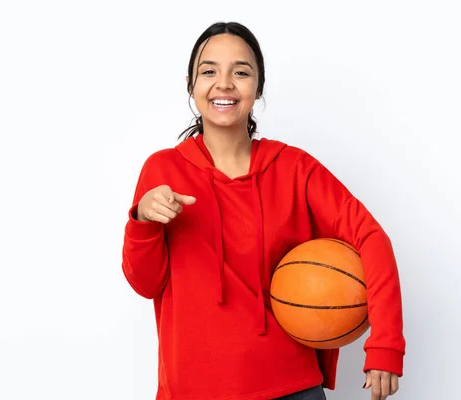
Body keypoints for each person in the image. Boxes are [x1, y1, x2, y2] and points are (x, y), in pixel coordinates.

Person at [122, 22, 405, 400]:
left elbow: (370, 237)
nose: (224, 83)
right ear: (190, 85)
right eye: (209, 71)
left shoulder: (294, 169)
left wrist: (386, 344)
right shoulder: (163, 171)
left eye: (240, 72)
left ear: (258, 88)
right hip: (193, 390)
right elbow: (145, 284)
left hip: (292, 388)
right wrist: (142, 220)